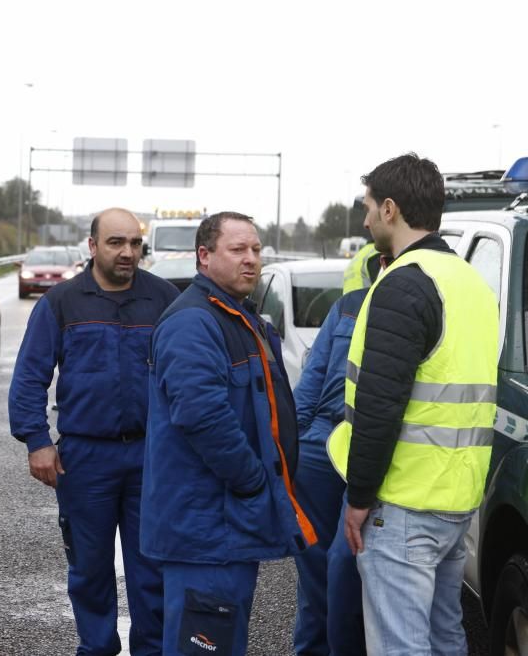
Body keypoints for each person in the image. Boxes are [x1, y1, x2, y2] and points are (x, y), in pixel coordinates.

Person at [328, 153, 499, 655]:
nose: (363, 221)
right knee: (445, 635)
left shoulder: (405, 283)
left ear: (390, 209)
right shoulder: (471, 283)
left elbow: (380, 406)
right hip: (456, 499)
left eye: (366, 208)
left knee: (400, 645)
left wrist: (359, 500)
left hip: (403, 502)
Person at [142, 211, 317, 656]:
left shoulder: (236, 317)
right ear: (205, 256)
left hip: (224, 529)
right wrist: (254, 482)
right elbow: (202, 417)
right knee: (203, 648)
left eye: (256, 250)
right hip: (206, 531)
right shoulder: (193, 323)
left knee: (219, 643)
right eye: (237, 250)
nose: (251, 260)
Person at [8, 207, 179, 655]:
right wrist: (37, 440)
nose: (127, 252)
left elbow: (186, 375)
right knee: (89, 570)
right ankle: (97, 648)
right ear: (92, 246)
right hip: (85, 459)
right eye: (116, 243)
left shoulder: (163, 299)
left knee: (153, 570)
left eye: (135, 243)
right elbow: (30, 376)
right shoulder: (62, 302)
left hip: (150, 457)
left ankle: (151, 650)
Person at [292, 275, 378, 655]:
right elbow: (313, 376)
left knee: (344, 562)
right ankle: (310, 650)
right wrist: (294, 441)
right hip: (320, 441)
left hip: (369, 443)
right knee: (311, 561)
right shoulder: (347, 305)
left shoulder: (414, 303)